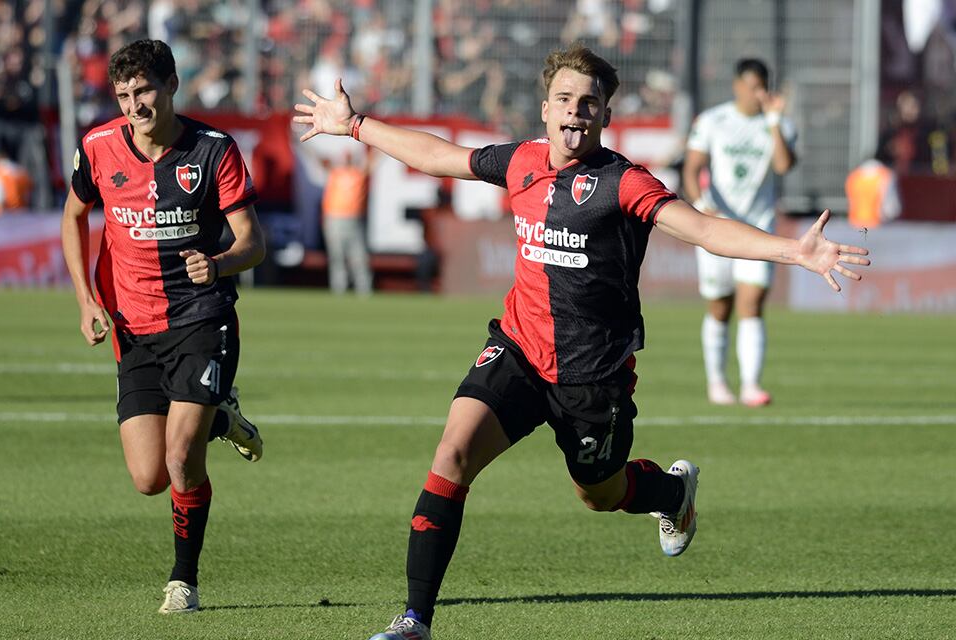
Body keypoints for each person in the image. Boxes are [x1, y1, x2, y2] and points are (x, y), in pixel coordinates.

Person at [295, 43, 869, 640]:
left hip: (593, 378)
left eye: (589, 102)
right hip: (518, 349)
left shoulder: (623, 183)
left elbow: (700, 227)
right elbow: (443, 157)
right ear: (546, 109)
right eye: (565, 99)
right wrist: (355, 125)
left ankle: (672, 491)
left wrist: (791, 250)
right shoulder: (521, 161)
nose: (576, 111)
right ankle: (415, 620)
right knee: (452, 454)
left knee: (600, 493)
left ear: (604, 117)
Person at [60, 39, 266, 615]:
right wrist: (84, 300)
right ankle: (218, 415)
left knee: (181, 461)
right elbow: (74, 216)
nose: (135, 105)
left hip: (201, 319)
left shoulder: (213, 151)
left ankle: (184, 581)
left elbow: (254, 243)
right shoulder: (98, 147)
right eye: (124, 95)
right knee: (149, 478)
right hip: (133, 326)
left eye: (145, 90)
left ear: (172, 84)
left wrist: (220, 262)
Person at [682, 58, 798, 407]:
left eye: (763, 87)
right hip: (717, 227)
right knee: (720, 306)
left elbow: (783, 165)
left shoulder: (779, 124)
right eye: (752, 87)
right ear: (738, 86)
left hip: (759, 228)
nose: (758, 94)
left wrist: (775, 120)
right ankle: (717, 382)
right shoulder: (713, 121)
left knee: (752, 304)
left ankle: (750, 385)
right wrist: (701, 203)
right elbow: (692, 168)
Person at [321, 149, 373, 294]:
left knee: (359, 256)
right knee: (337, 256)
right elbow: (318, 158)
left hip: (354, 219)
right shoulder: (335, 173)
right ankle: (339, 288)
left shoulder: (358, 173)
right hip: (334, 219)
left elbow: (372, 162)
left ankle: (364, 289)